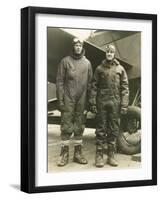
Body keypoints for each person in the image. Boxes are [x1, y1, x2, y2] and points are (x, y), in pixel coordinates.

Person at [89, 44, 129, 167]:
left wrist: (124, 105)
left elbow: (125, 88)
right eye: (107, 52)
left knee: (113, 130)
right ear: (105, 54)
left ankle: (111, 156)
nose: (109, 54)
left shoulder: (120, 69)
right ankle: (99, 156)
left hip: (115, 104)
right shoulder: (99, 69)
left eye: (111, 52)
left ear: (114, 54)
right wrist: (93, 103)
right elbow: (94, 87)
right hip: (102, 103)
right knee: (101, 130)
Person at [56, 37, 93, 167]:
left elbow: (90, 85)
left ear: (82, 47)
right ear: (73, 47)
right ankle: (64, 154)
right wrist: (60, 100)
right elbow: (60, 82)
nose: (78, 47)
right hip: (68, 98)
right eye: (76, 45)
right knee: (66, 126)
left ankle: (77, 154)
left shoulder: (87, 63)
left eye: (80, 45)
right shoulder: (65, 61)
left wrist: (89, 102)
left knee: (79, 126)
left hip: (81, 100)